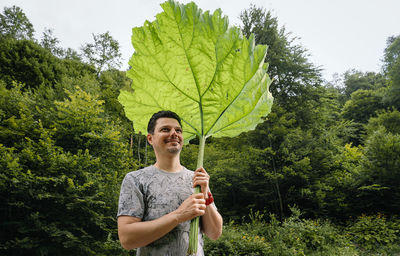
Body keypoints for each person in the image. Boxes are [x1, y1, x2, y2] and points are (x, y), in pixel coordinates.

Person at [117, 110, 223, 255]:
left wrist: (205, 195)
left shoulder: (197, 178)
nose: (174, 133)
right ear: (150, 138)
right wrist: (179, 215)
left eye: (178, 130)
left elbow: (215, 233)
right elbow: (127, 239)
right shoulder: (135, 179)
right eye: (165, 129)